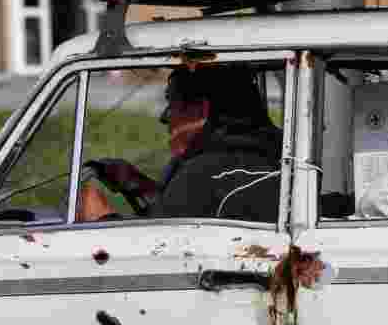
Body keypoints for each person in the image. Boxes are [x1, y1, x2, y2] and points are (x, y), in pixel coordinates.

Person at [77, 66, 284, 224]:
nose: (164, 116)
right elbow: (180, 211)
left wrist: (99, 215)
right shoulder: (273, 152)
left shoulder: (204, 173)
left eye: (171, 102)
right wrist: (136, 183)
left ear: (200, 110)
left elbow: (152, 249)